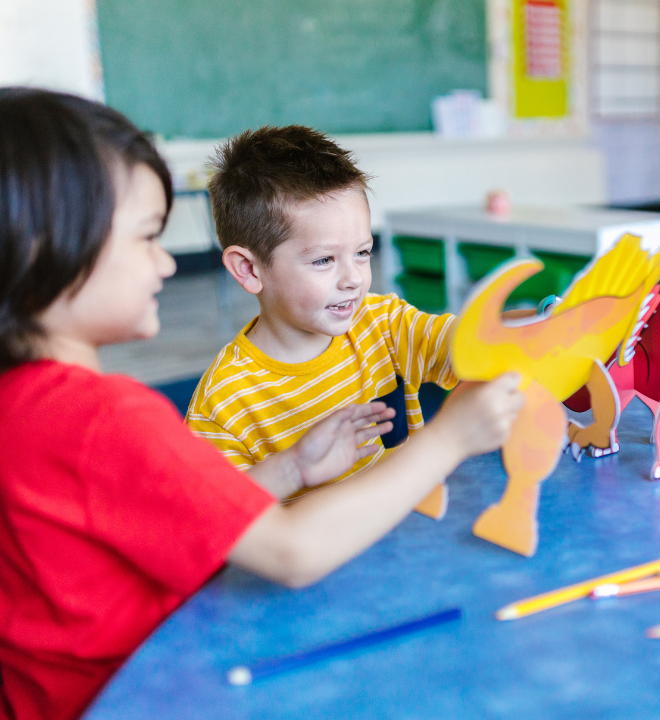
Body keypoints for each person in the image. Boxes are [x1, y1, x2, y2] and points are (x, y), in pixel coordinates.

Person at [0, 88, 522, 720]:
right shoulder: (104, 419)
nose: (167, 264)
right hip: (134, 698)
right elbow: (290, 552)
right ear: (44, 248)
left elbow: (184, 522)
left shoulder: (21, 402)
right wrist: (451, 437)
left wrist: (290, 469)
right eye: (145, 238)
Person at [185, 126, 458, 504]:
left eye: (362, 253)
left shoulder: (383, 322)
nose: (354, 279)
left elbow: (469, 339)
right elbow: (216, 516)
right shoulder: (223, 404)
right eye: (324, 260)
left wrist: (532, 321)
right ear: (249, 269)